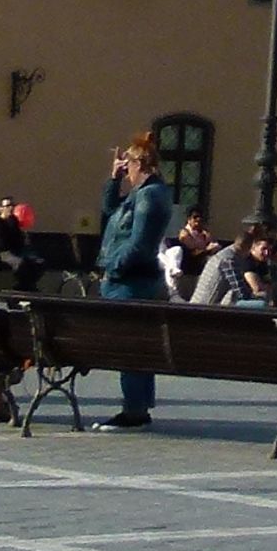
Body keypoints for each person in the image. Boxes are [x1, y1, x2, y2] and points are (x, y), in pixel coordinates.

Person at [98, 138, 177, 429]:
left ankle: (134, 409)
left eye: (128, 164)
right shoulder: (140, 194)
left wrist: (113, 268)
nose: (125, 169)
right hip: (129, 280)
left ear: (140, 164)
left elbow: (140, 244)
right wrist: (113, 178)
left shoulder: (150, 196)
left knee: (128, 345)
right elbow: (109, 211)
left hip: (131, 282)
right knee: (134, 346)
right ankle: (137, 406)